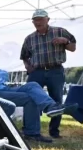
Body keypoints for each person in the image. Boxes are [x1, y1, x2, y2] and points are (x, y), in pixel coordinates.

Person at [21, 9, 77, 139]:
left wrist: (65, 41)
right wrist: (28, 67)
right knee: (30, 98)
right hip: (37, 71)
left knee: (56, 100)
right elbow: (24, 56)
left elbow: (73, 48)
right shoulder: (29, 38)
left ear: (48, 19)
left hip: (55, 70)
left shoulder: (60, 31)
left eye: (40, 19)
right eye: (35, 20)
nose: (38, 22)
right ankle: (30, 129)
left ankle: (54, 131)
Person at [0, 68, 78, 141]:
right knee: (30, 98)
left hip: (5, 89)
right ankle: (32, 133)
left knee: (33, 85)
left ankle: (50, 106)